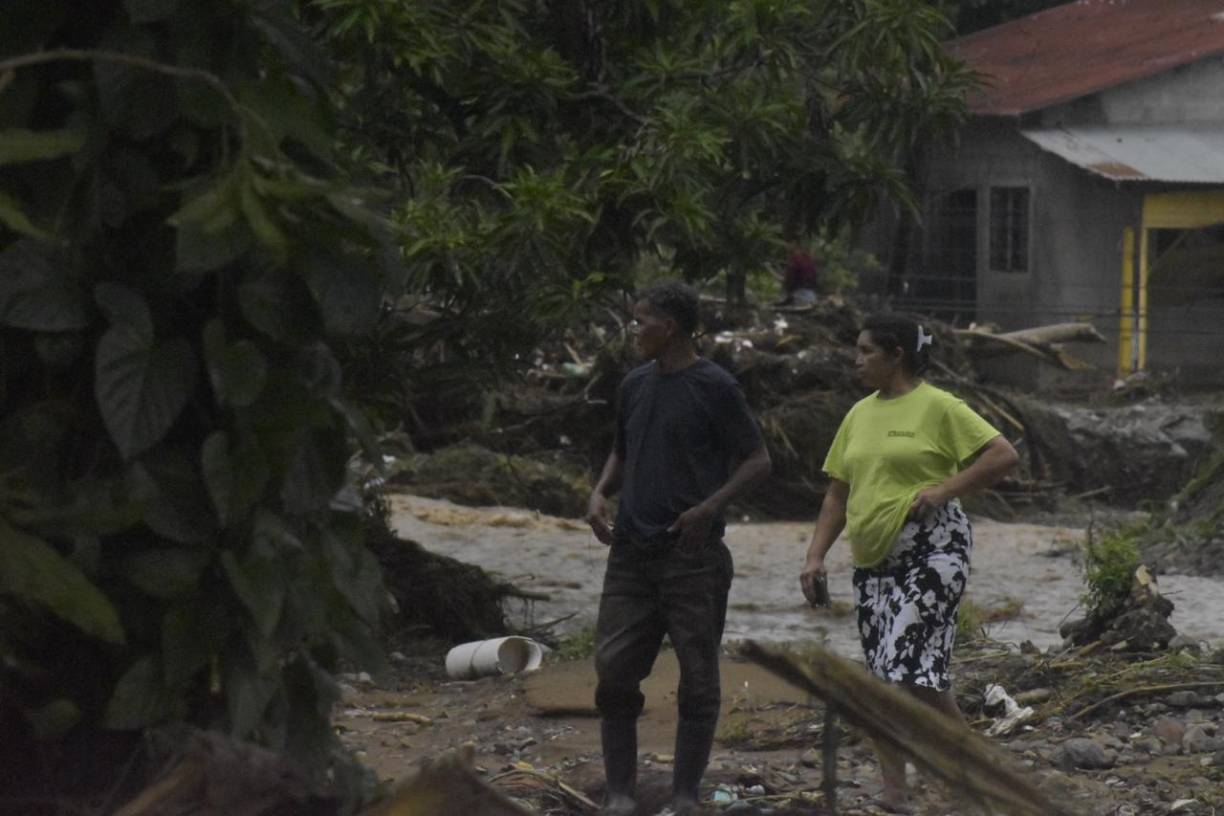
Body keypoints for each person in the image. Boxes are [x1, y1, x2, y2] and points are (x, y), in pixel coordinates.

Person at [798, 313, 1018, 815]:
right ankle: (921, 789)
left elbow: (1002, 455)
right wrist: (814, 556)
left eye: (866, 351)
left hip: (934, 552)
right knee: (904, 678)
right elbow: (837, 494)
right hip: (874, 563)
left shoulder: (939, 406)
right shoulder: (858, 414)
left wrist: (944, 490)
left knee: (899, 670)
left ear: (896, 355)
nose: (856, 360)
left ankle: (958, 783)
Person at [585, 280, 772, 816]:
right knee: (614, 671)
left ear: (668, 327)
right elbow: (622, 450)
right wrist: (599, 492)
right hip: (630, 552)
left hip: (692, 556)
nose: (634, 330)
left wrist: (709, 507)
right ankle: (620, 793)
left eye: (640, 320)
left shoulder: (715, 386)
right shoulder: (634, 385)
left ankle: (686, 794)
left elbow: (758, 459)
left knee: (698, 678)